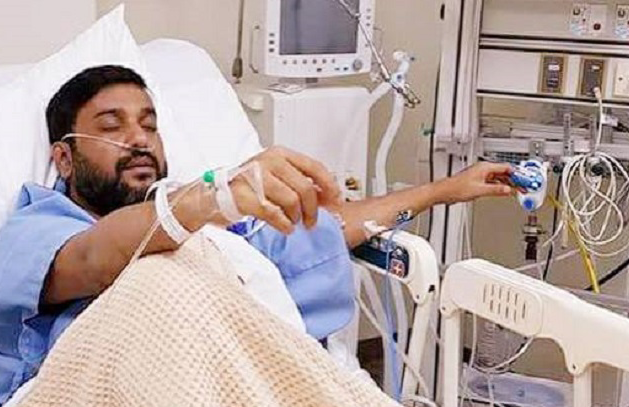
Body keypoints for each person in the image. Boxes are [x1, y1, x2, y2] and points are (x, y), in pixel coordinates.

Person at [0, 65, 515, 404]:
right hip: (76, 389)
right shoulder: (36, 226)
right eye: (112, 126)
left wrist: (448, 189)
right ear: (63, 157)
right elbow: (94, 259)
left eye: (150, 125)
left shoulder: (210, 232)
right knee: (159, 276)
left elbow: (322, 232)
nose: (139, 139)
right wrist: (214, 197)